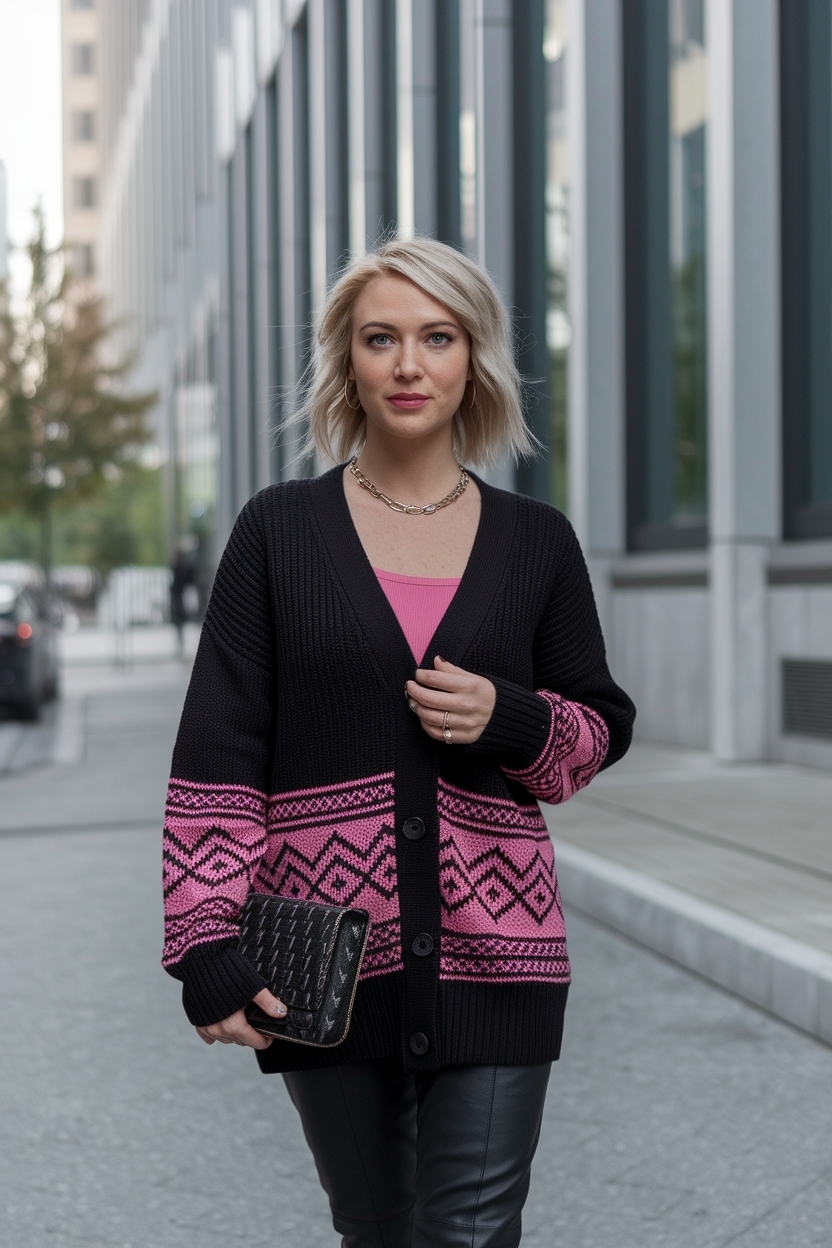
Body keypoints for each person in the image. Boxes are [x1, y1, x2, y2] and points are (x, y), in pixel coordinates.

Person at [162, 237, 635, 1247]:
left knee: (465, 1232)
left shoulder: (535, 541)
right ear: (347, 360)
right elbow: (219, 752)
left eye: (437, 337)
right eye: (381, 338)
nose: (409, 364)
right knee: (376, 1229)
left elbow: (594, 732)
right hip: (323, 969)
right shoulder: (277, 534)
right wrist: (204, 938)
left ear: (474, 358)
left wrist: (512, 719)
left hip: (499, 954)